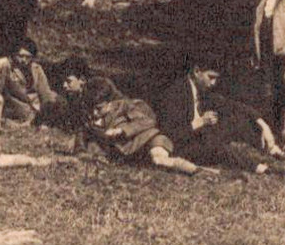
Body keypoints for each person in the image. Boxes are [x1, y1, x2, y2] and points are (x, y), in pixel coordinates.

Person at [157, 56, 285, 175]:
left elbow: (232, 105)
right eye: (211, 77)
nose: (213, 83)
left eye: (216, 78)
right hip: (182, 147)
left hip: (202, 138)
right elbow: (170, 134)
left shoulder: (201, 90)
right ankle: (260, 167)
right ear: (197, 71)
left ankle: (271, 150)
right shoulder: (176, 92)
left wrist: (262, 123)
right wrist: (200, 122)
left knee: (238, 120)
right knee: (220, 149)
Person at [65, 71, 212, 176]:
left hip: (151, 139)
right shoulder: (90, 117)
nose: (94, 113)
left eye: (98, 108)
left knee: (159, 160)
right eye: (91, 108)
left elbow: (148, 121)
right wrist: (81, 151)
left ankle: (197, 171)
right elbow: (82, 133)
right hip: (131, 151)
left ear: (110, 103)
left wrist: (122, 131)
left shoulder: (125, 106)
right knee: (148, 163)